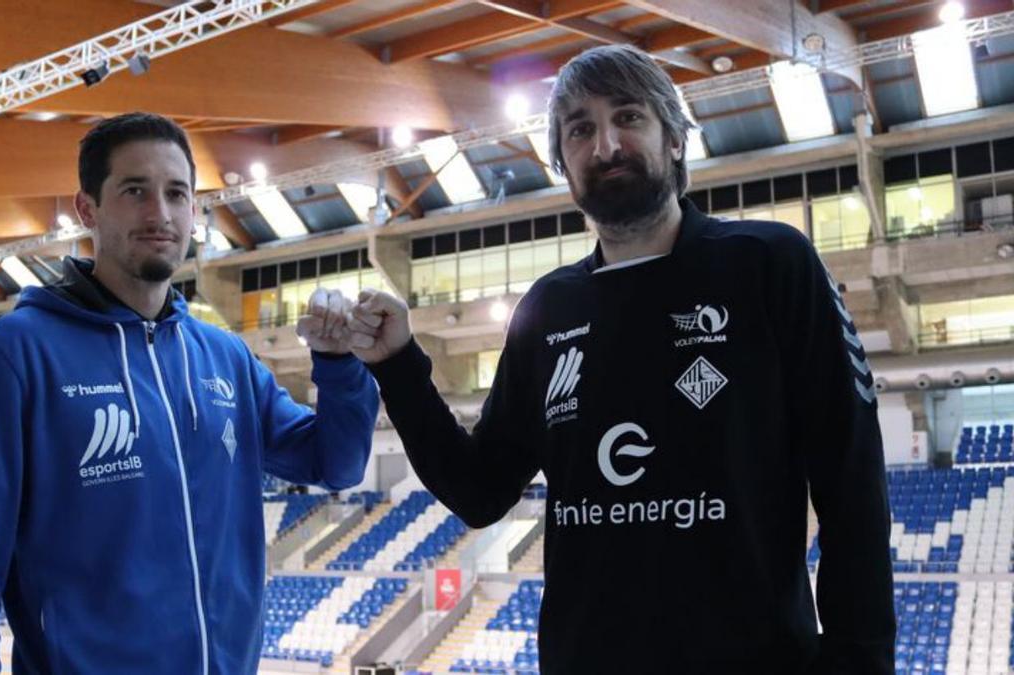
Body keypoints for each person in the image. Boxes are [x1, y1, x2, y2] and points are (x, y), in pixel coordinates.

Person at [347, 45, 894, 673]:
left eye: (628, 118)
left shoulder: (769, 266)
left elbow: (851, 480)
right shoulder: (548, 309)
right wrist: (397, 365)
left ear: (676, 140)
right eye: (580, 129)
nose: (605, 146)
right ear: (563, 163)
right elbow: (479, 490)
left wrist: (860, 662)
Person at [0, 112, 378, 674]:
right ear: (89, 208)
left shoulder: (225, 359)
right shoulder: (15, 357)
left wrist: (337, 364)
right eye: (135, 191)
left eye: (176, 193)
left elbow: (339, 464)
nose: (160, 214)